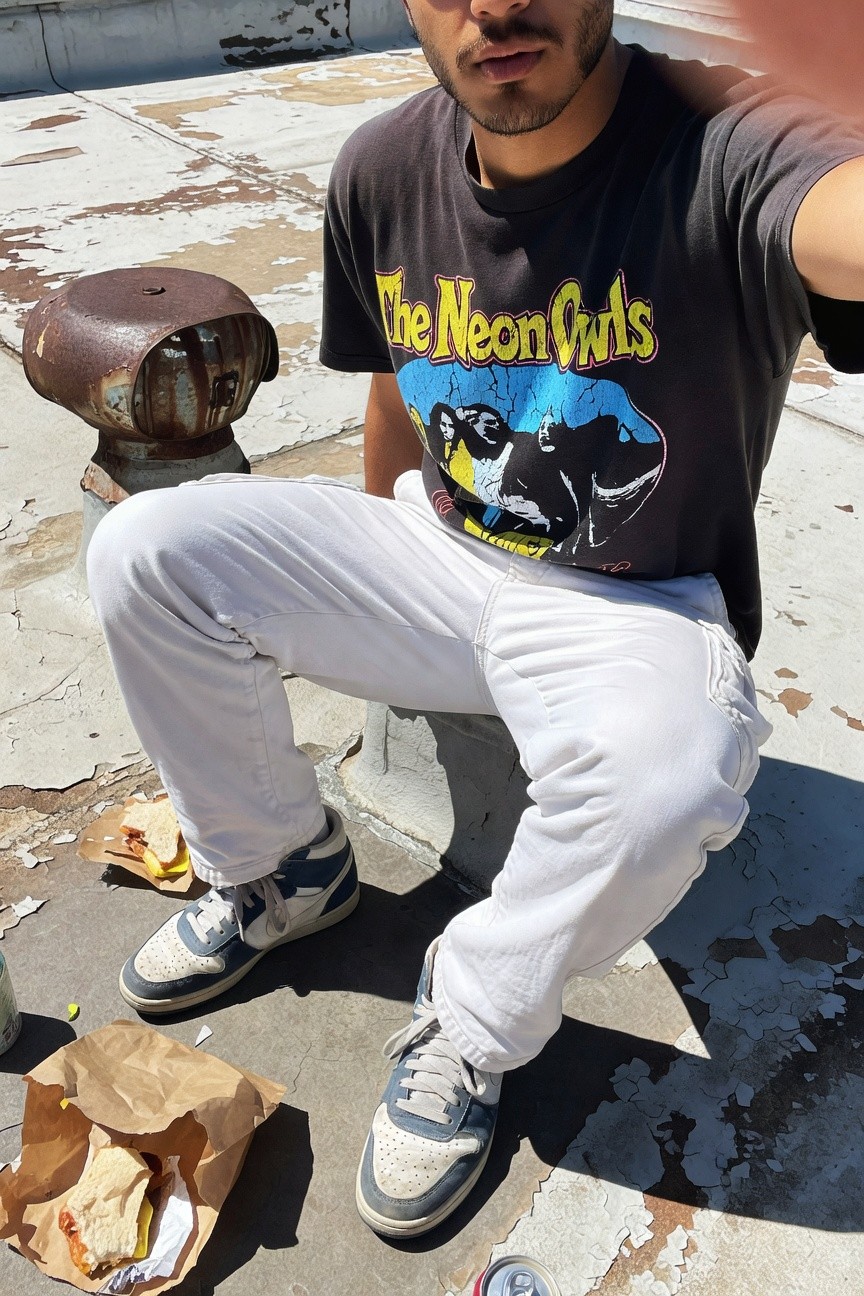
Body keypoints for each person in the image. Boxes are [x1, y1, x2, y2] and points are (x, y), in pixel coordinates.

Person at [86, 0, 864, 1240]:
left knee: (672, 779)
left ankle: (475, 1018)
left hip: (633, 597)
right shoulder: (384, 164)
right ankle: (280, 872)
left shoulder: (726, 134)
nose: (493, 6)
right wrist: (355, 586)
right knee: (149, 548)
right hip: (442, 552)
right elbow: (403, 390)